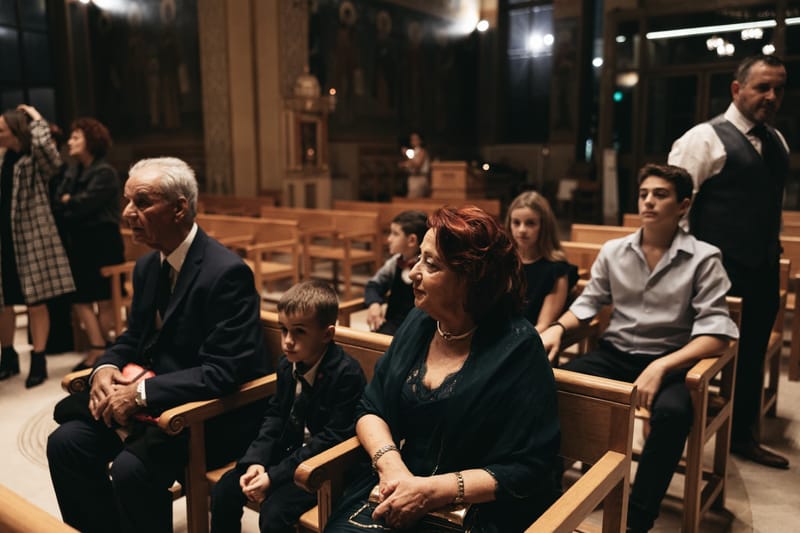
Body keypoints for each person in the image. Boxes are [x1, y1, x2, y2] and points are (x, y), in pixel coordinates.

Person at [47, 157, 271, 533]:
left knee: (131, 469)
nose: (127, 213)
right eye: (127, 201)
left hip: (207, 414)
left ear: (179, 208)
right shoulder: (149, 266)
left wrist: (140, 394)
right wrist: (105, 368)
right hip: (154, 402)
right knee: (66, 443)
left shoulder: (226, 273)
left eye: (142, 202)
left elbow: (223, 372)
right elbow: (134, 338)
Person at [325, 206, 560, 532]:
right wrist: (393, 470)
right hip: (395, 482)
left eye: (431, 264)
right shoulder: (419, 321)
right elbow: (371, 407)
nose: (412, 273)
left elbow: (529, 466)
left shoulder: (518, 348)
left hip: (473, 509)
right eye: (418, 258)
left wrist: (429, 491)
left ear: (471, 279)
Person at [539, 164, 739, 533]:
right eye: (644, 193)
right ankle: (546, 496)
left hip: (672, 360)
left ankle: (638, 520)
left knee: (673, 414)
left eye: (660, 194)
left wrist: (662, 366)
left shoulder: (704, 257)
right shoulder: (615, 251)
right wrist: (554, 329)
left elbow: (718, 333)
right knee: (555, 386)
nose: (648, 201)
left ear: (683, 205)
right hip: (615, 353)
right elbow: (588, 305)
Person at [668, 54, 790, 470]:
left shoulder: (777, 141)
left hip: (761, 268)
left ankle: (742, 436)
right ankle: (674, 439)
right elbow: (674, 209)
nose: (771, 96)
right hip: (713, 274)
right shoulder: (703, 139)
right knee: (696, 358)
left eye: (779, 88)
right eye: (762, 87)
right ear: (737, 90)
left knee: (752, 355)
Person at [211, 280, 366, 533]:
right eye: (284, 330)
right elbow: (274, 416)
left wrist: (273, 478)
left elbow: (331, 439)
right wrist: (256, 462)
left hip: (325, 466)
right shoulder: (287, 365)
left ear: (327, 334)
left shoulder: (346, 374)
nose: (288, 341)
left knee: (274, 513)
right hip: (288, 452)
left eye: (299, 332)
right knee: (226, 490)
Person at [0, 104, 74, 388]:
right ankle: (7, 356)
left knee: (36, 301)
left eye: (2, 129)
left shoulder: (33, 159)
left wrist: (37, 116)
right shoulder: (2, 157)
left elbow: (53, 159)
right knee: (3, 302)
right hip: (3, 240)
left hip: (30, 237)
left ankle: (39, 359)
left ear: (16, 131)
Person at [54, 117, 125, 370]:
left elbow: (83, 206)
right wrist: (67, 201)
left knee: (104, 298)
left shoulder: (104, 172)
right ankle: (98, 346)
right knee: (81, 299)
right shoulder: (73, 170)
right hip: (80, 244)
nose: (70, 142)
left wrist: (68, 201)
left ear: (91, 141)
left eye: (76, 137)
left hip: (103, 242)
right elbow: (59, 204)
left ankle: (101, 349)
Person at [506, 191, 578, 332]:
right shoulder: (504, 261)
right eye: (516, 222)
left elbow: (543, 326)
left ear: (544, 227)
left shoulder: (556, 270)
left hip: (530, 341)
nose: (522, 230)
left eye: (530, 223)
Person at [364, 210, 427, 334]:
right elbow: (373, 285)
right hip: (393, 326)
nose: (389, 239)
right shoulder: (395, 262)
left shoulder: (427, 268)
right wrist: (374, 303)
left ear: (412, 240)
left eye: (395, 234)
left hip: (418, 330)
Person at [399, 132, 430, 198]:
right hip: (412, 178)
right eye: (412, 139)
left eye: (415, 139)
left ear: (420, 141)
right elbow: (408, 164)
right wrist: (404, 165)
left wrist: (407, 154)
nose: (413, 141)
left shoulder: (422, 151)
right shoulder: (413, 151)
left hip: (419, 179)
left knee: (413, 199)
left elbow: (418, 165)